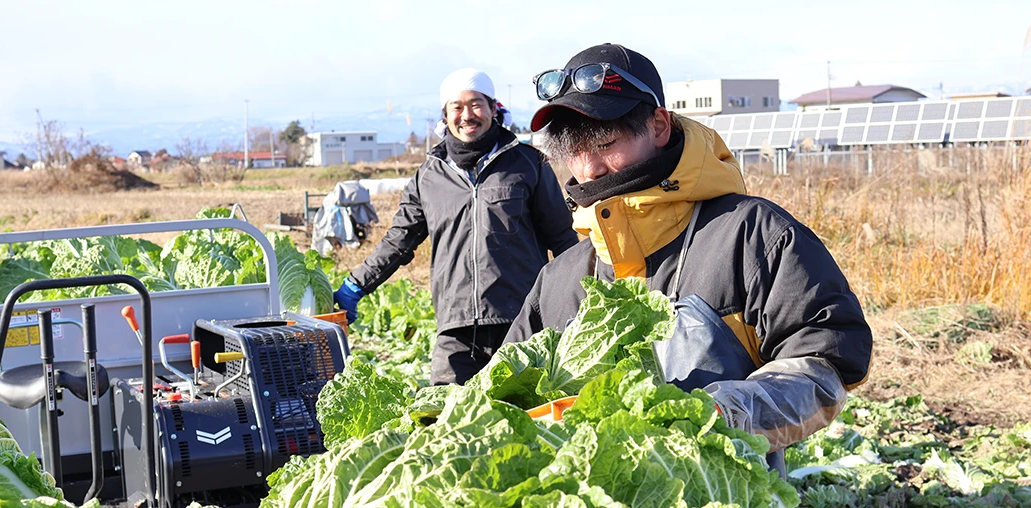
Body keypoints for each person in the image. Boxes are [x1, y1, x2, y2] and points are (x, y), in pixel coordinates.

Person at [507, 43, 872, 473]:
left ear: (659, 125)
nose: (590, 169)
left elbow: (824, 369)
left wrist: (731, 414)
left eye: (605, 143)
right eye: (574, 152)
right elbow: (506, 398)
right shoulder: (560, 279)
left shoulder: (753, 235)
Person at [334, 68, 578, 385]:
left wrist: (576, 300)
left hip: (521, 322)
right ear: (446, 115)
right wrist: (356, 285)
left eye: (476, 104)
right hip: (456, 326)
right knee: (444, 419)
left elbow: (563, 240)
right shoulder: (428, 176)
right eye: (457, 107)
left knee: (523, 419)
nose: (467, 116)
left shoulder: (528, 164)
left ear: (494, 109)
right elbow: (398, 242)